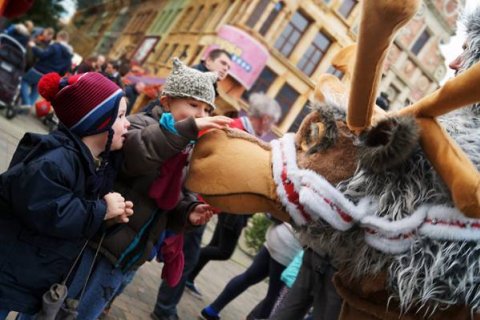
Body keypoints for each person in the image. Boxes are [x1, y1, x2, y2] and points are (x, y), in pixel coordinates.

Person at [63, 58, 232, 320]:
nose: (201, 115)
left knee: (86, 313)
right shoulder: (139, 124)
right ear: (166, 102)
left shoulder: (186, 149)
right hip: (98, 242)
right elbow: (138, 153)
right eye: (193, 104)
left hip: (129, 255)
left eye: (207, 109)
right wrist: (182, 132)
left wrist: (189, 211)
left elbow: (173, 197)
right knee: (59, 306)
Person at [0, 71, 132, 319]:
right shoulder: (55, 160)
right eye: (121, 116)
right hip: (7, 267)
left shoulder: (89, 162)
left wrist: (107, 219)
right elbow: (49, 210)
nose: (128, 123)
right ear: (98, 122)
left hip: (26, 267)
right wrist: (100, 210)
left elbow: (76, 217)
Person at [185, 92, 282, 297]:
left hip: (210, 204)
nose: (271, 127)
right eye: (273, 122)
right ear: (265, 119)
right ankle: (170, 299)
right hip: (200, 201)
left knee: (198, 250)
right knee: (192, 251)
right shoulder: (233, 129)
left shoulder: (246, 135)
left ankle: (183, 281)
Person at [200, 222, 302, 320]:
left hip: (279, 234)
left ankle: (212, 310)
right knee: (274, 295)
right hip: (291, 247)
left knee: (248, 277)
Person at [20, 30, 73, 110]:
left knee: (24, 81)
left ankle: (27, 102)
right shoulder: (69, 55)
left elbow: (43, 55)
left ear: (60, 37)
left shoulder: (55, 46)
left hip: (39, 69)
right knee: (37, 89)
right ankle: (28, 106)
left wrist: (33, 47)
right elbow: (65, 70)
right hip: (49, 76)